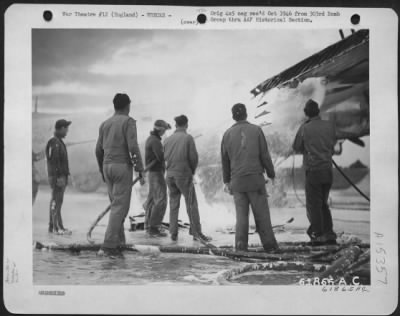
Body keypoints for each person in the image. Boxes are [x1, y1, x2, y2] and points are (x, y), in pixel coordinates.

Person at [221, 103, 278, 252]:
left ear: (233, 116)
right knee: (262, 216)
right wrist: (271, 174)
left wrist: (226, 181)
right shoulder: (257, 130)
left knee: (241, 218)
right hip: (255, 181)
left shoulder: (227, 134)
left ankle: (241, 248)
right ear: (246, 114)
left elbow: (225, 160)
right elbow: (265, 155)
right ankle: (270, 248)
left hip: (237, 183)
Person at [95, 93, 144, 257]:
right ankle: (108, 246)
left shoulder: (105, 124)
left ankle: (119, 243)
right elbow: (133, 148)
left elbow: (98, 150)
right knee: (120, 207)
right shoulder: (128, 122)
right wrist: (140, 168)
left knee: (116, 207)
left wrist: (102, 170)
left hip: (107, 167)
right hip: (122, 167)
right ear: (127, 106)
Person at [292, 99, 337, 246]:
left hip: (314, 171)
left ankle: (317, 235)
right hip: (328, 171)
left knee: (314, 206)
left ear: (306, 113)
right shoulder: (329, 126)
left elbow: (296, 146)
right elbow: (332, 144)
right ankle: (329, 235)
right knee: (323, 204)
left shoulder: (305, 128)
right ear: (318, 111)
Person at [164, 115, 211, 243]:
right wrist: (192, 171)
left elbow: (164, 158)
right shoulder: (188, 138)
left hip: (170, 175)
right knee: (191, 204)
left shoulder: (167, 140)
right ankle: (196, 233)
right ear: (186, 124)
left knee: (173, 204)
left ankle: (173, 233)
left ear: (175, 125)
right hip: (183, 175)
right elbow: (193, 158)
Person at [143, 119, 171, 237]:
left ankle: (148, 224)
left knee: (152, 199)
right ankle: (154, 227)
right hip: (156, 173)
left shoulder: (152, 139)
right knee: (161, 200)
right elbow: (161, 157)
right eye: (164, 130)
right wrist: (170, 150)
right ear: (160, 129)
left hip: (153, 173)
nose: (165, 132)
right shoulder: (155, 141)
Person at [45, 119, 71, 234]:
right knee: (56, 201)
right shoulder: (55, 142)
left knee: (57, 201)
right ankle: (56, 228)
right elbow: (54, 162)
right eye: (66, 129)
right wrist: (59, 177)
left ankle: (56, 226)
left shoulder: (57, 141)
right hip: (58, 177)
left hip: (58, 176)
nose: (67, 132)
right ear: (60, 129)